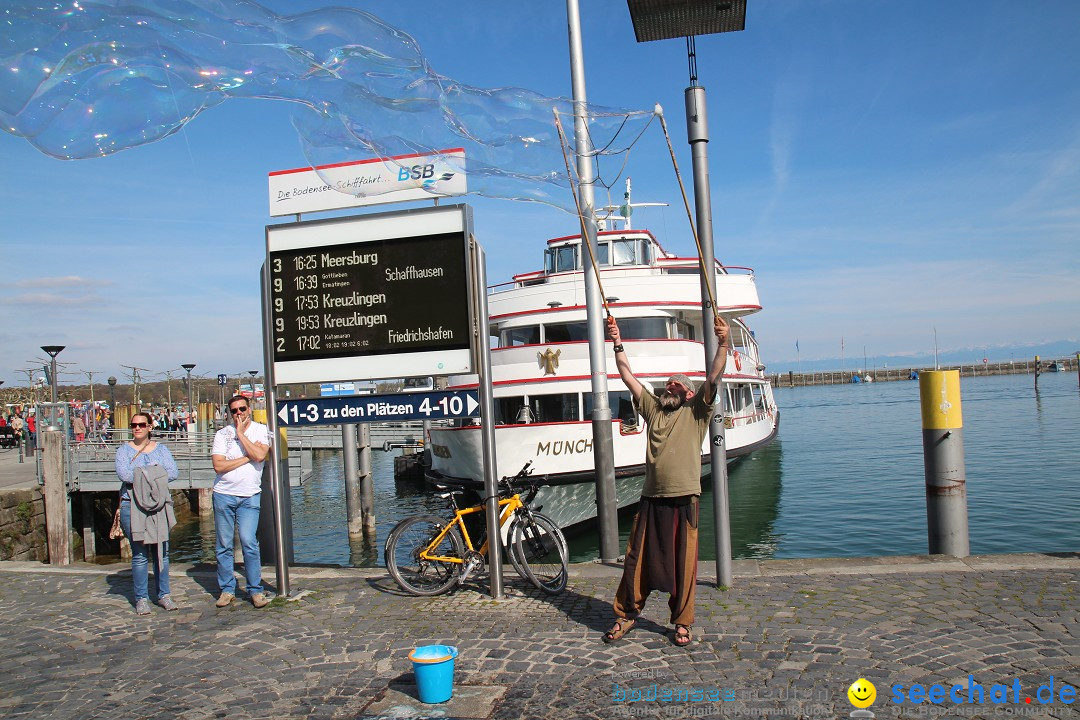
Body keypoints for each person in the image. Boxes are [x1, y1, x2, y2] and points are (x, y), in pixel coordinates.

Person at [602, 313, 730, 647]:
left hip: (685, 498)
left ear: (689, 394)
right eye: (667, 384)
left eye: (676, 384)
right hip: (651, 498)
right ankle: (627, 614)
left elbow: (714, 375)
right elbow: (627, 375)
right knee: (635, 561)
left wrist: (724, 342)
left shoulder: (696, 412)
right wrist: (616, 340)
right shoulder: (654, 409)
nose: (668, 386)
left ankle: (682, 622)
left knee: (684, 565)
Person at [115, 412, 179, 614]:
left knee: (162, 553)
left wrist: (141, 474)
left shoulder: (162, 450)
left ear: (150, 426)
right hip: (131, 504)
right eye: (134, 425)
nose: (137, 428)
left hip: (159, 505)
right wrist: (154, 472)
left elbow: (173, 472)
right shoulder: (123, 451)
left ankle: (164, 594)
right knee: (140, 554)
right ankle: (141, 598)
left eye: (142, 424)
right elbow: (124, 474)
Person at [211, 395, 271, 608]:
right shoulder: (221, 434)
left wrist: (240, 435)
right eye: (234, 410)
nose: (239, 414)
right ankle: (227, 589)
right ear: (229, 412)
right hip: (223, 494)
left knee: (248, 541)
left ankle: (255, 590)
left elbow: (261, 454)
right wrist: (247, 457)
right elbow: (218, 466)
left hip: (249, 495)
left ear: (249, 409)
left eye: (242, 409)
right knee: (224, 544)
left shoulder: (261, 430)